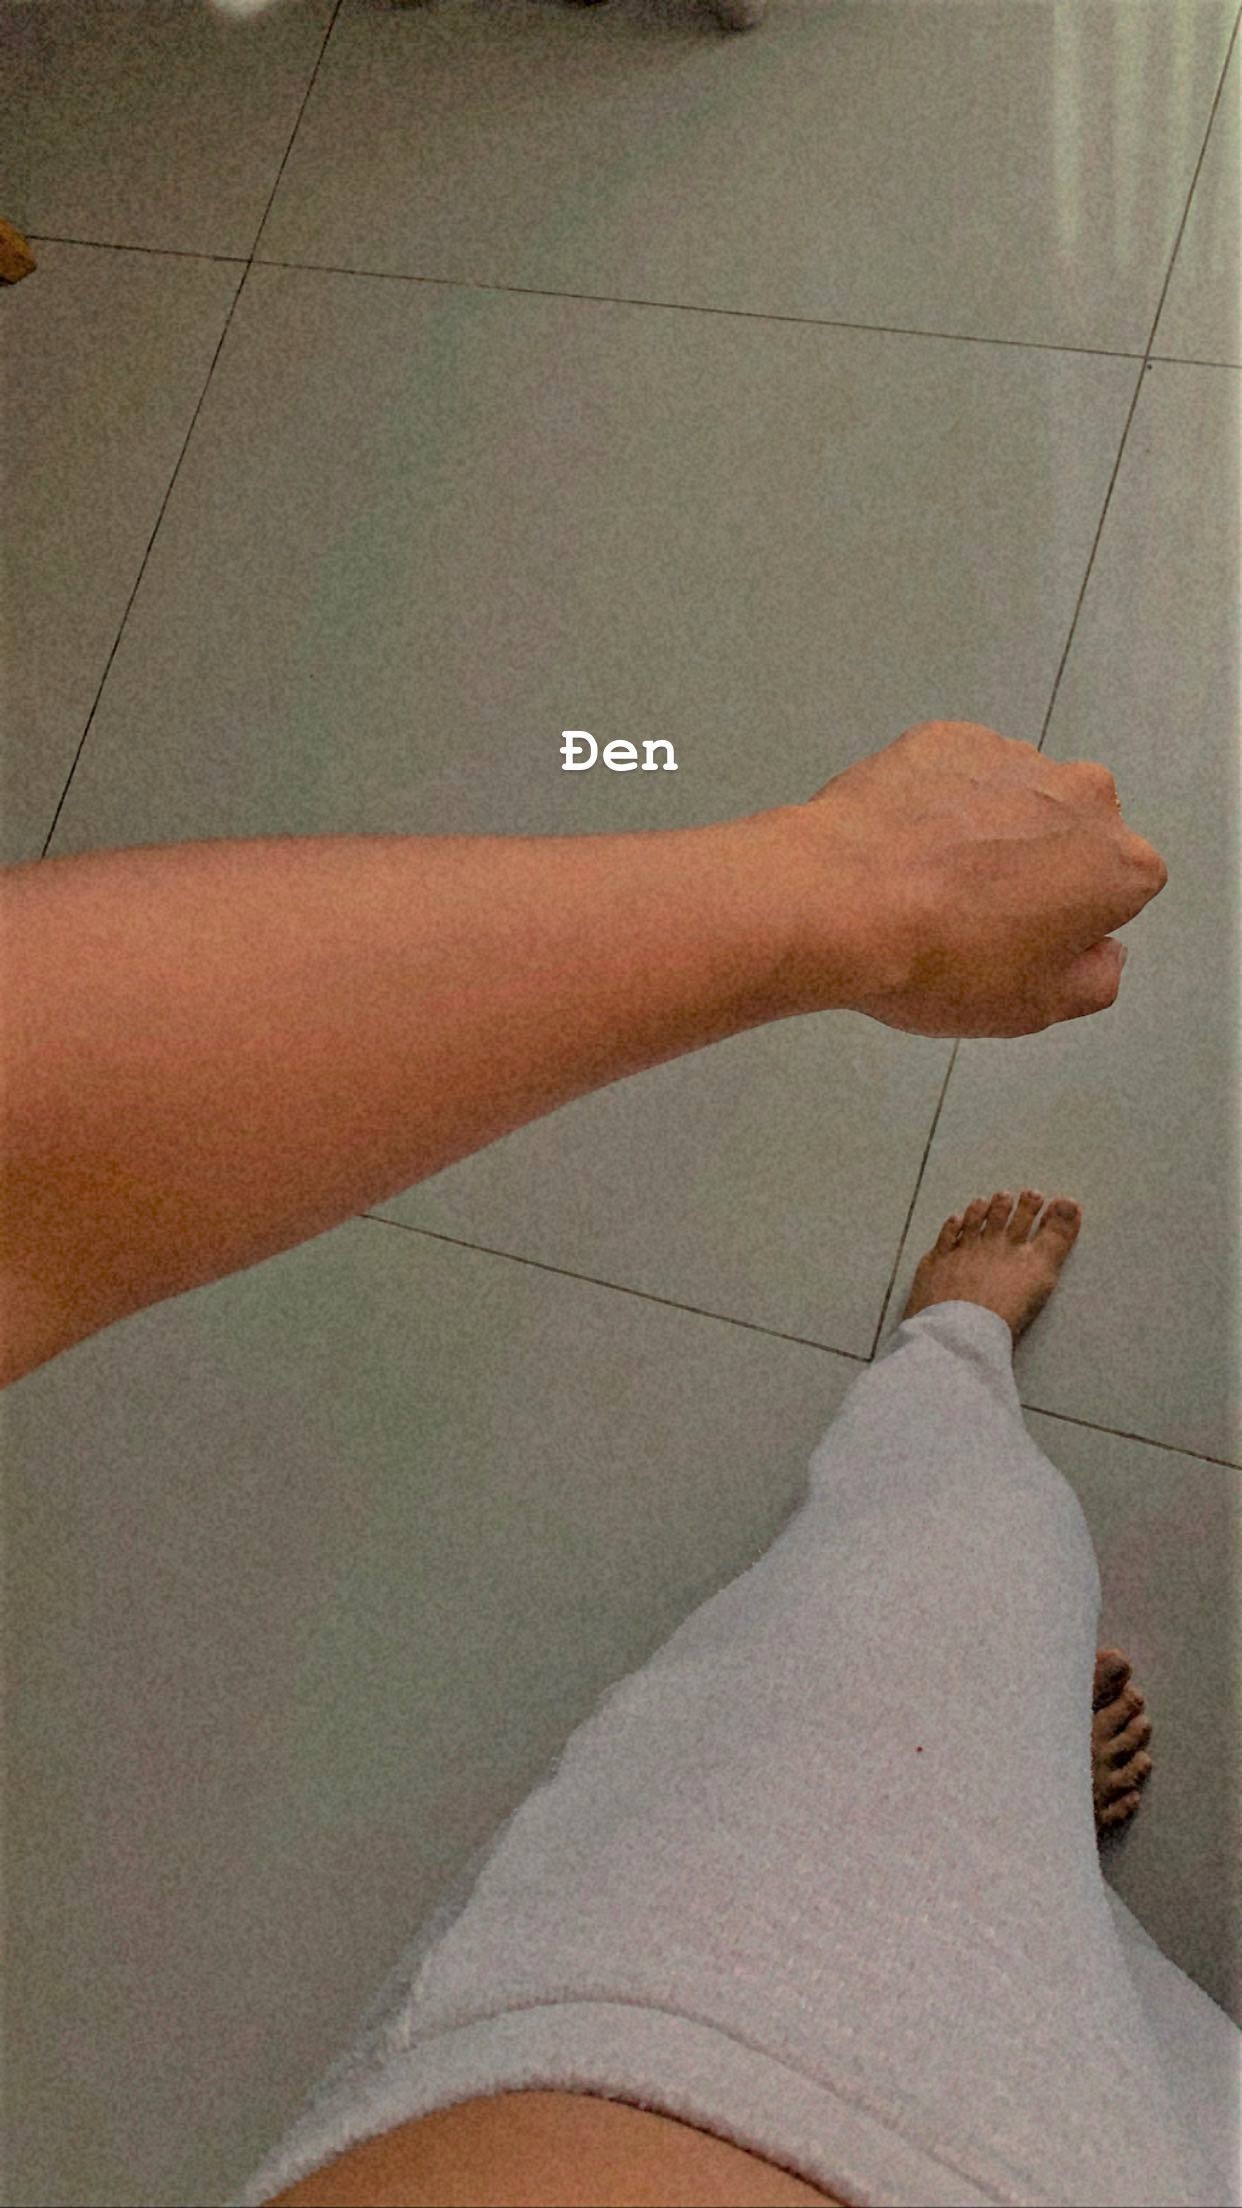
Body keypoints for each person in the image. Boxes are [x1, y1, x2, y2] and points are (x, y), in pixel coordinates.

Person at [2, 718, 1236, 2205]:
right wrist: (855, 882)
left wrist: (853, 887)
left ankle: (966, 1498)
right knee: (958, 1630)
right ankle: (1015, 1825)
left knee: (949, 1582)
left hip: (739, 2048)